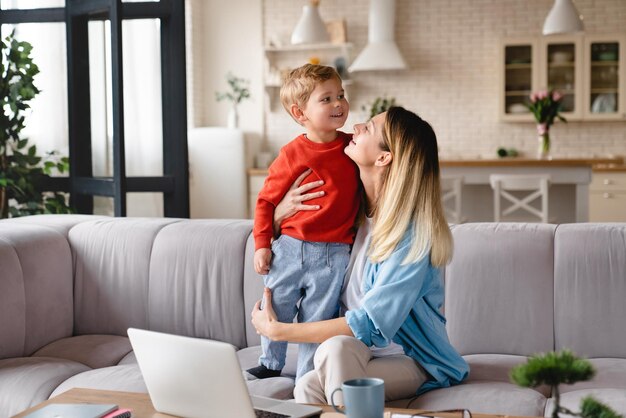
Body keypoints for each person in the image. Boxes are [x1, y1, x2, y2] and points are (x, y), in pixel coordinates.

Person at [251, 107, 469, 404]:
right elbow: (299, 250)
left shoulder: (411, 236)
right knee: (305, 387)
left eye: (368, 127)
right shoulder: (350, 215)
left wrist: (279, 331)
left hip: (411, 359)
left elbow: (371, 324)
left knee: (335, 349)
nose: (355, 127)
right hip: (359, 355)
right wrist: (277, 216)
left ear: (383, 157)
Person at [248, 64, 360, 381]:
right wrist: (261, 246)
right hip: (290, 248)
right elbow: (266, 202)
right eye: (326, 99)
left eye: (341, 95)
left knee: (318, 318)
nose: (339, 103)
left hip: (334, 253)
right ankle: (270, 363)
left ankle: (307, 376)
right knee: (275, 305)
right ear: (301, 113)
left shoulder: (353, 148)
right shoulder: (291, 153)